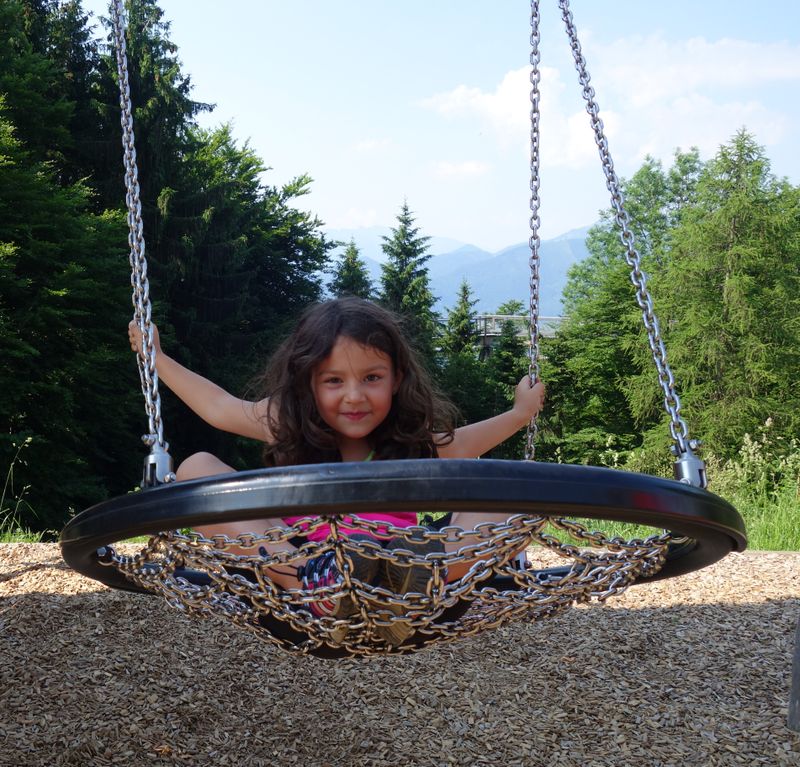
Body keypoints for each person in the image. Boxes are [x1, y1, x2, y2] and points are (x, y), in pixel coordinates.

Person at [128, 297, 545, 645]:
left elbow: (470, 443)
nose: (354, 396)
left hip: (414, 589)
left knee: (519, 491)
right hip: (300, 583)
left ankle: (415, 589)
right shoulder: (287, 424)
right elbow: (219, 408)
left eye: (371, 377)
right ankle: (315, 584)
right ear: (308, 382)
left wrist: (519, 414)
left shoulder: (410, 443)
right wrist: (157, 359)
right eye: (333, 381)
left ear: (396, 379)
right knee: (196, 467)